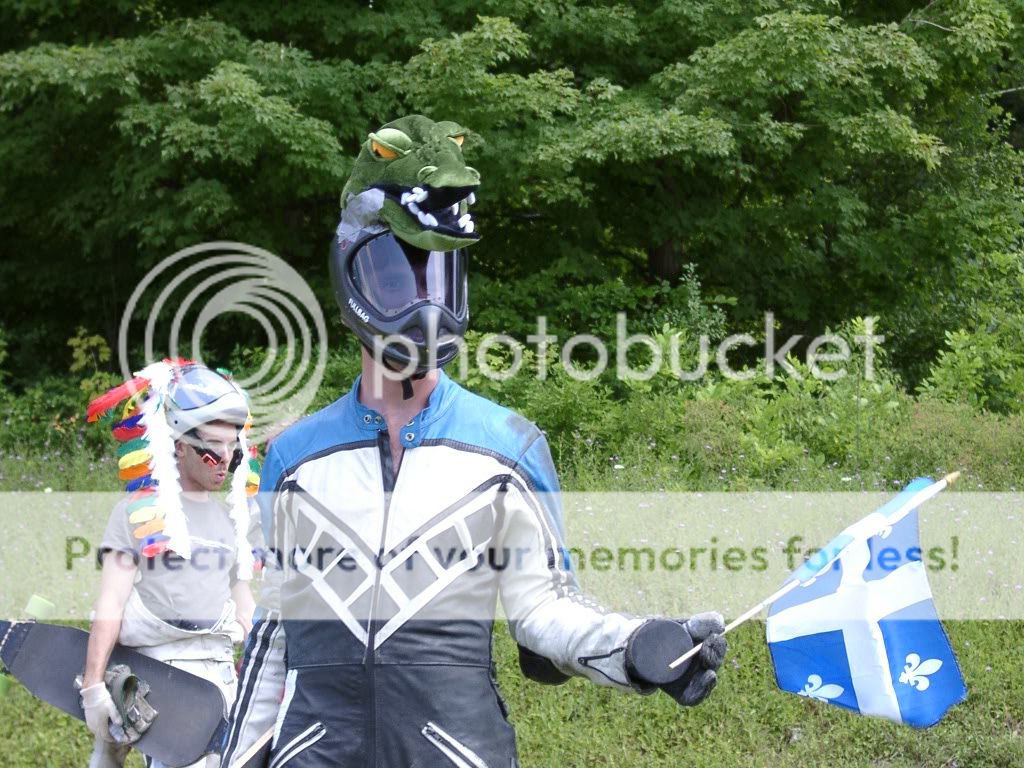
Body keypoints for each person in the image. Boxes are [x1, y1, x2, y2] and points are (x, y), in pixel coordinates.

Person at [221, 115, 728, 768]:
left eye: (438, 274)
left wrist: (639, 648)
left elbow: (545, 613)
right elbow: (277, 633)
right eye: (399, 277)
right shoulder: (296, 459)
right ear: (354, 278)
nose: (424, 303)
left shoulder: (509, 448)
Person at [82, 362, 258, 768]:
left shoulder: (231, 520)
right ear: (179, 445)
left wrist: (268, 664)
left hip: (219, 677)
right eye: (213, 448)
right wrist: (93, 684)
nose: (224, 460)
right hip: (162, 677)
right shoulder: (137, 512)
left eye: (233, 449)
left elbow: (244, 605)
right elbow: (111, 602)